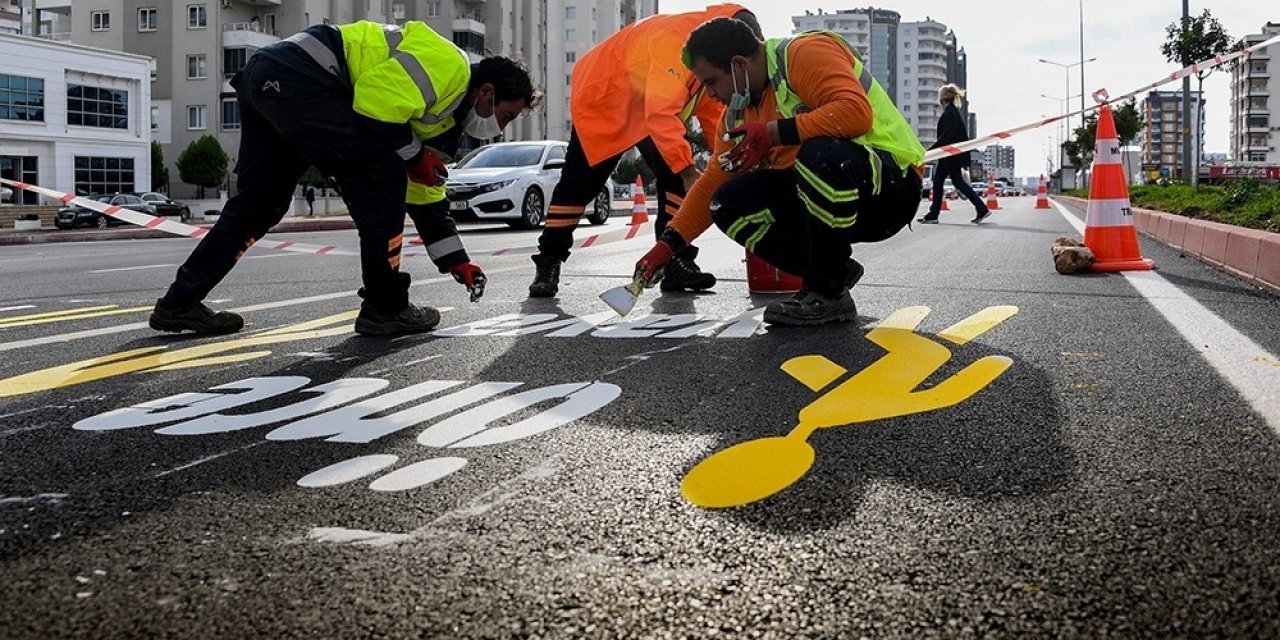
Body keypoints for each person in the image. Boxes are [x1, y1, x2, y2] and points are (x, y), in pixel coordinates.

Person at [149, 20, 536, 336]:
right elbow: (373, 103)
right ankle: (385, 308)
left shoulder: (442, 121)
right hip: (302, 77)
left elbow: (424, 192)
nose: (499, 128)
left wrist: (456, 260)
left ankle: (178, 305)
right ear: (486, 92)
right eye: (505, 115)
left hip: (270, 77)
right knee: (382, 178)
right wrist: (413, 156)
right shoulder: (448, 67)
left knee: (259, 204)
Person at [631, 18, 925, 326]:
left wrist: (774, 133)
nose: (710, 95)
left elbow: (855, 113)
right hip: (833, 194)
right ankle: (831, 270)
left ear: (738, 65)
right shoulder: (735, 117)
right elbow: (710, 185)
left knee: (819, 154)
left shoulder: (804, 54)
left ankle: (828, 293)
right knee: (727, 201)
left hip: (892, 185)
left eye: (711, 82)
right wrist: (666, 246)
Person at [526, 4, 761, 298]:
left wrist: (732, 158)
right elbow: (660, 113)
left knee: (675, 179)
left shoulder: (708, 50)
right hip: (607, 97)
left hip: (647, 99)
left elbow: (713, 114)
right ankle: (548, 263)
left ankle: (676, 262)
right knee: (578, 187)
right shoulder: (677, 42)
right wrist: (689, 171)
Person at [917, 84, 989, 225]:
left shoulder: (950, 113)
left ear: (942, 98)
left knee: (958, 183)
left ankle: (982, 208)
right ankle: (933, 214)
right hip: (948, 156)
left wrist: (931, 151)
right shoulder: (952, 112)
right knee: (938, 182)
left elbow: (947, 136)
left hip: (950, 156)